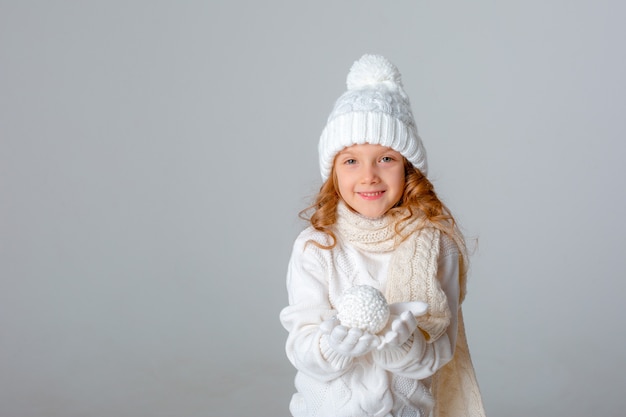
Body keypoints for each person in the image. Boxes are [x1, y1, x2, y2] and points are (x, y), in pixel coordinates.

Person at [280, 54, 486, 417]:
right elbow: (302, 346)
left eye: (386, 158)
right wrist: (334, 345)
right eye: (351, 161)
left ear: (409, 167)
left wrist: (402, 346)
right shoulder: (317, 247)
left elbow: (438, 353)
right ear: (333, 174)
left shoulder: (437, 244)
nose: (369, 175)